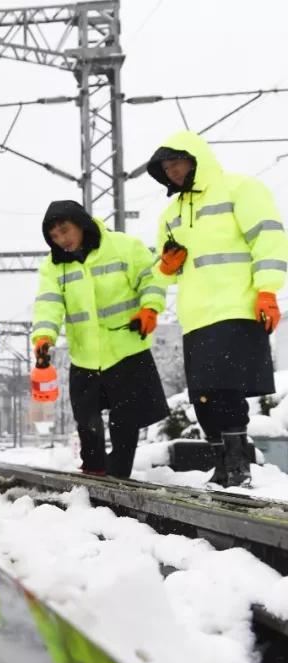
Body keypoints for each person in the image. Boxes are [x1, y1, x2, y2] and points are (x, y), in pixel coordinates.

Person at [146, 131, 288, 487]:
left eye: (177, 162)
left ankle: (238, 464)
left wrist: (268, 290)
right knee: (204, 396)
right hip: (196, 318)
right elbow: (160, 268)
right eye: (166, 167)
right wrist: (163, 269)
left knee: (227, 389)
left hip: (236, 306)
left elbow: (268, 237)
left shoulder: (240, 189)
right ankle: (223, 463)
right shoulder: (171, 214)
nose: (173, 171)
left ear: (197, 159)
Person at [31, 201, 169, 478]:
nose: (62, 240)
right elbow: (49, 303)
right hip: (85, 354)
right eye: (54, 237)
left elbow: (150, 280)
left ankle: (119, 475)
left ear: (81, 223)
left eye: (65, 231)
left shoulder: (124, 247)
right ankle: (93, 471)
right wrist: (43, 336)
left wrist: (150, 307)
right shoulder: (54, 266)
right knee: (86, 418)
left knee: (125, 420)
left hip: (125, 347)